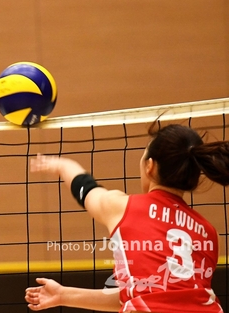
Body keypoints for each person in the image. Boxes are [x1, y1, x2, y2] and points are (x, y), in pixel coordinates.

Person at [24, 123, 229, 312]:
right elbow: (149, 295)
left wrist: (63, 165)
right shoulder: (209, 232)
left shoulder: (123, 207)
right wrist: (63, 295)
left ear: (150, 166)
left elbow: (85, 190)